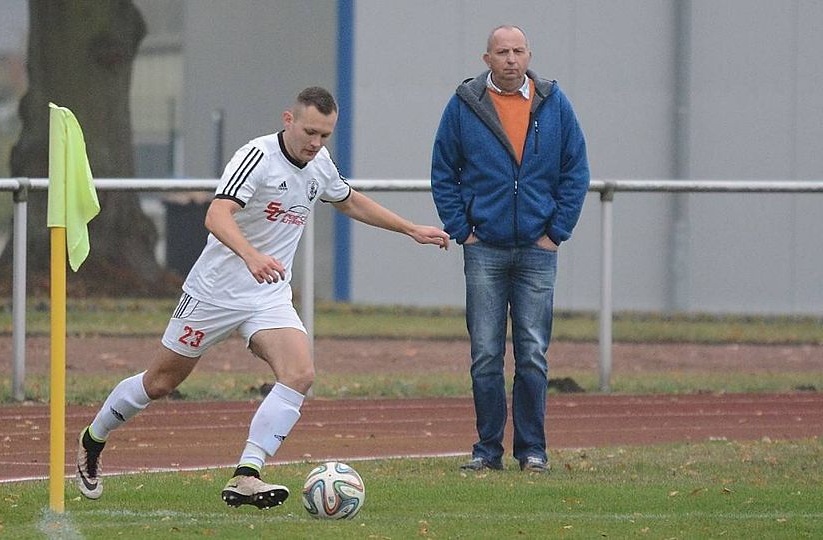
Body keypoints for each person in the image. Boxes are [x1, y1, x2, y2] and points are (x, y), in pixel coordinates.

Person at [76, 86, 450, 508]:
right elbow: (216, 214)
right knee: (159, 382)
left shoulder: (320, 163)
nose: (316, 142)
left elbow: (348, 201)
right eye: (310, 132)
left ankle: (247, 474)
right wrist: (251, 255)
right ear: (289, 120)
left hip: (268, 294)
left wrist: (410, 229)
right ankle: (93, 438)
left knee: (299, 373)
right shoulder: (257, 157)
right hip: (214, 293)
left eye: (325, 135)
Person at [430, 25, 589, 473]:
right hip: (484, 248)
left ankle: (532, 449)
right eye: (502, 52)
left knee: (533, 353)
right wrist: (463, 229)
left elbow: (575, 170)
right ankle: (487, 450)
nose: (511, 59)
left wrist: (556, 232)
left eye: (518, 51)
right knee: (485, 354)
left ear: (529, 55)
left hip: (538, 250)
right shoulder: (465, 105)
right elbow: (443, 170)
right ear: (487, 59)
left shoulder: (554, 103)